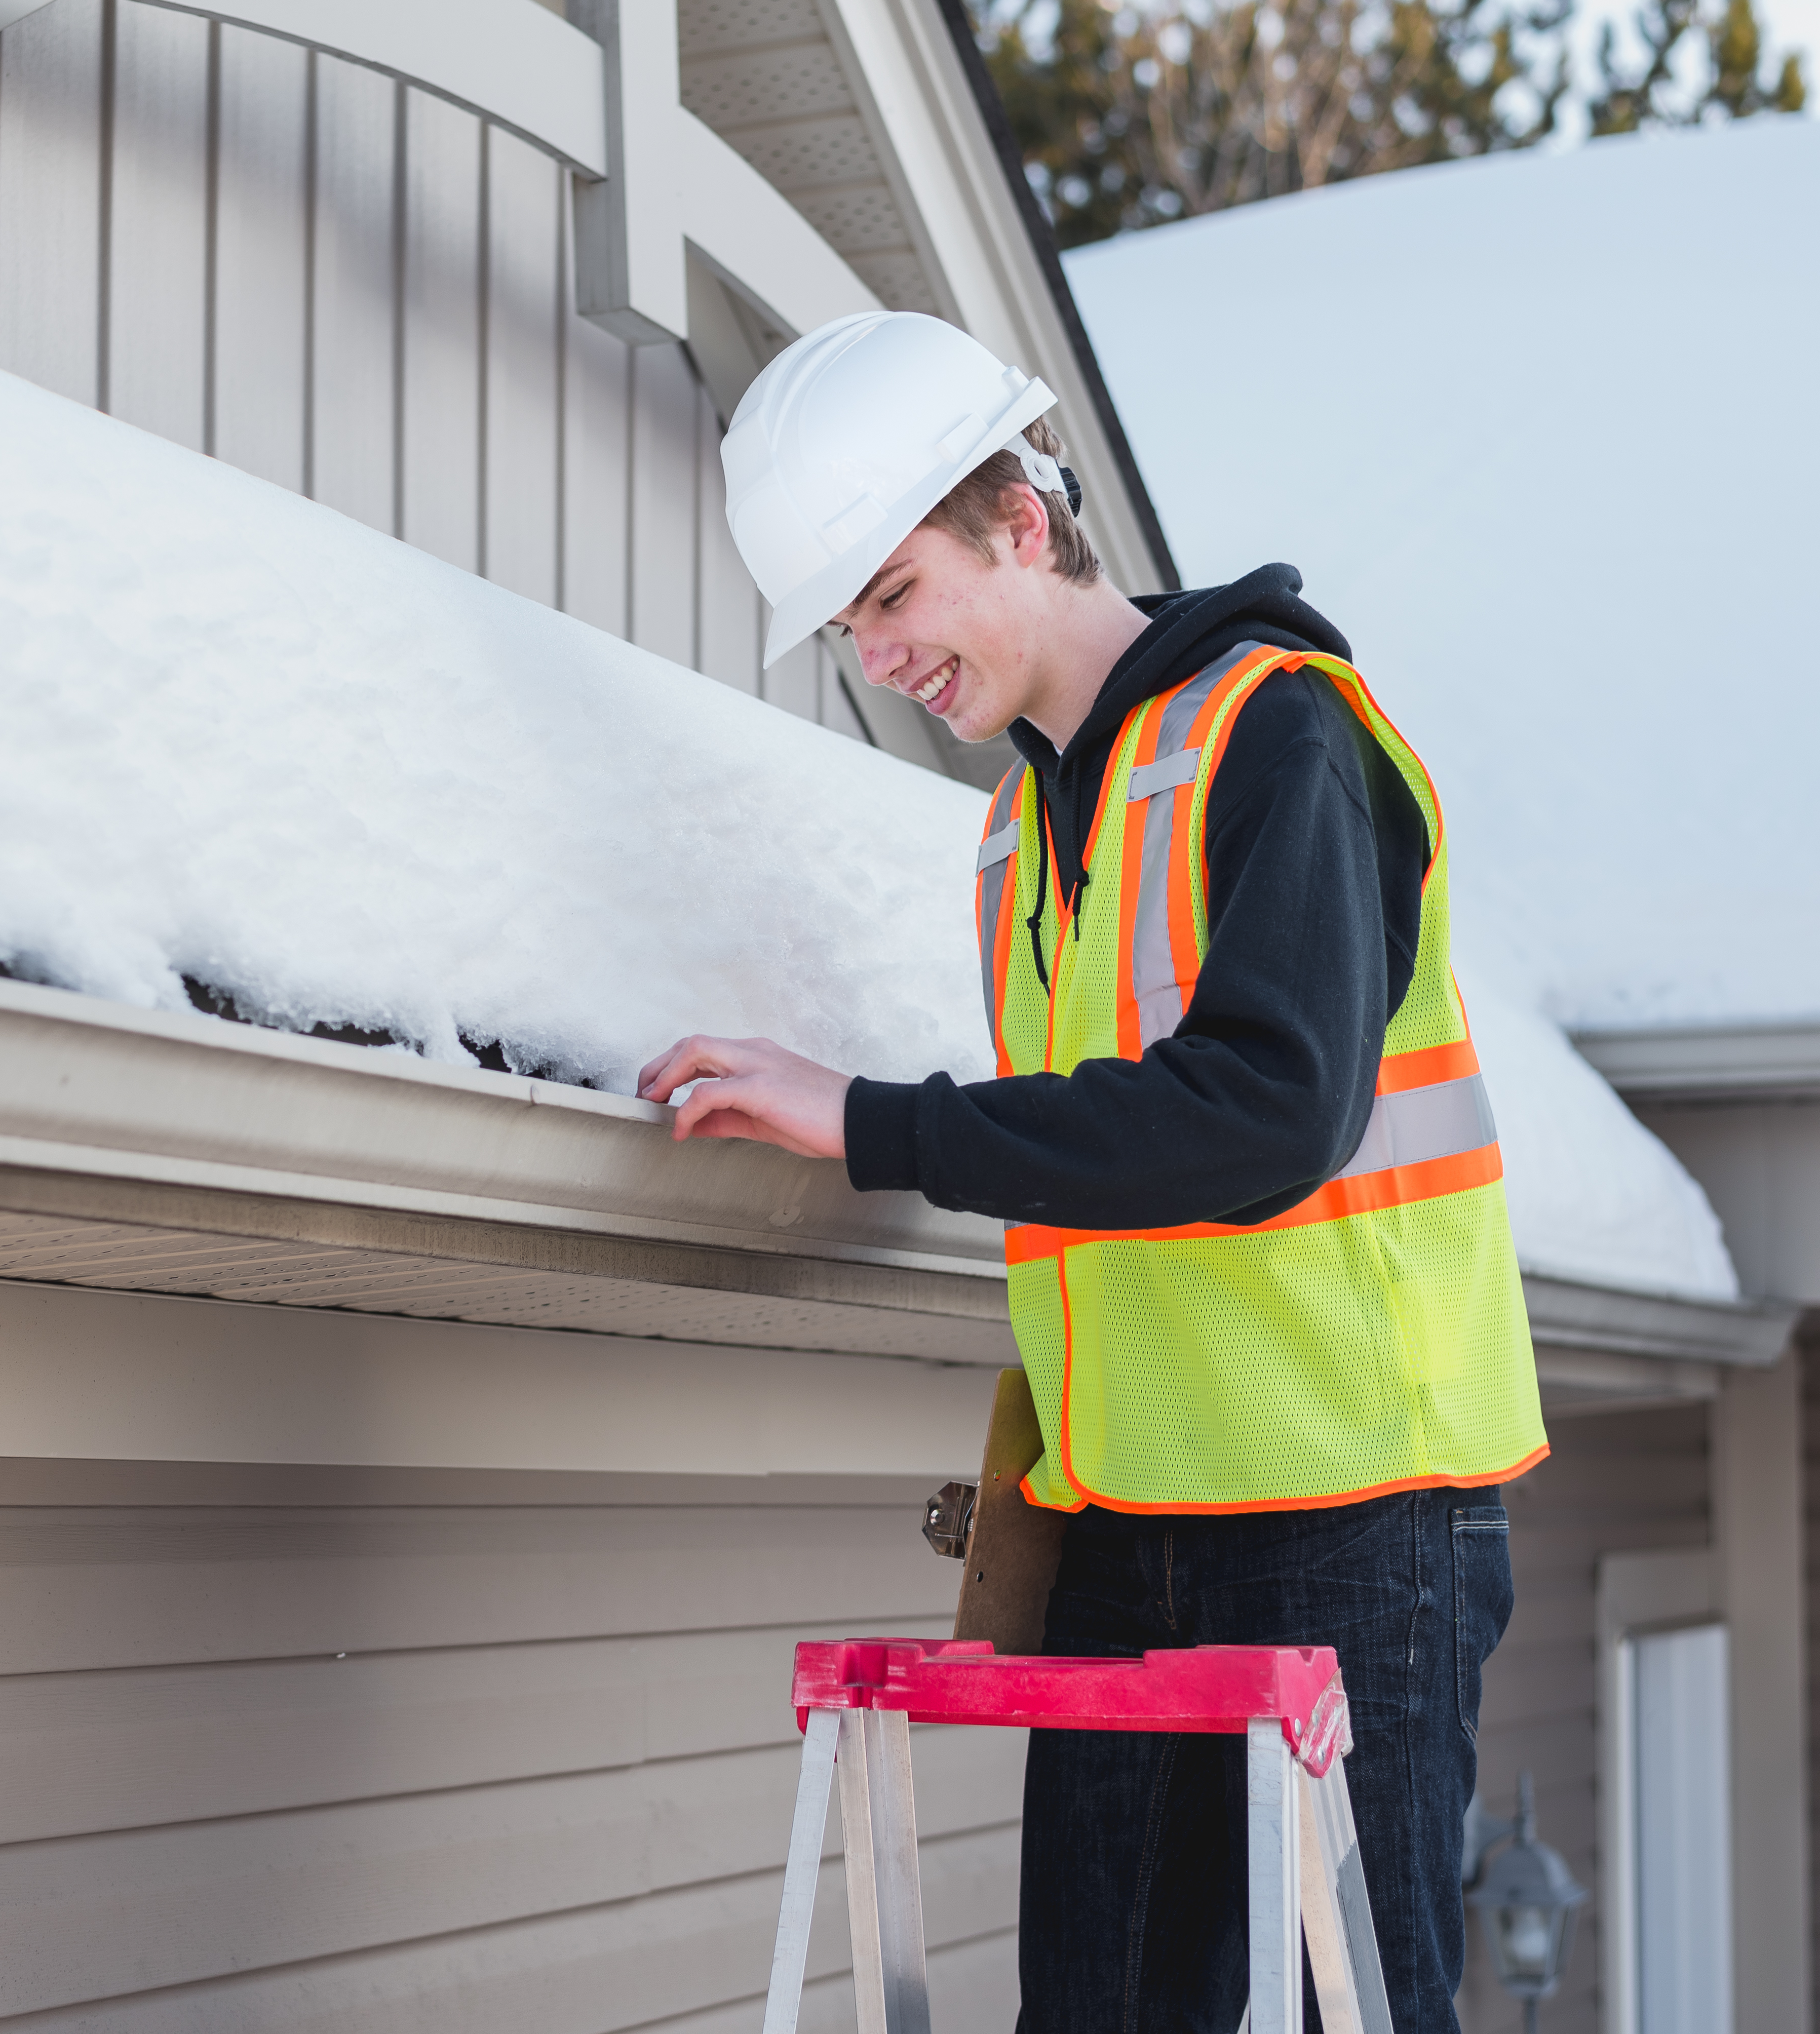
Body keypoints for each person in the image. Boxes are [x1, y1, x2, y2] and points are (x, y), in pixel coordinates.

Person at [638, 311, 1547, 2033]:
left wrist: (879, 1123)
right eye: (849, 625)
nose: (876, 653)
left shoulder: (1282, 733)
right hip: (1133, 1523)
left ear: (1023, 523)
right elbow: (1103, 1188)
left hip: (1356, 1516)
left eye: (895, 593)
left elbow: (1269, 1113)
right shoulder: (1012, 833)